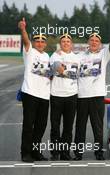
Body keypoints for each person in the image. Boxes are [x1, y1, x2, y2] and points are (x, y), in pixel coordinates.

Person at [74, 21, 110, 160]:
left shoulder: (104, 54)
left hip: (97, 96)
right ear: (88, 42)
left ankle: (99, 152)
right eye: (91, 40)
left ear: (100, 43)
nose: (93, 42)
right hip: (81, 96)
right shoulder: (79, 56)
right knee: (80, 127)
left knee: (98, 127)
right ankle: (78, 153)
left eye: (96, 40)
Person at [18, 18, 51, 162]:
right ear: (34, 42)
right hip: (30, 93)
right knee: (28, 125)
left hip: (44, 96)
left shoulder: (47, 56)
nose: (40, 43)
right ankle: (25, 153)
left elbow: (48, 75)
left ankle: (36, 152)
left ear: (45, 44)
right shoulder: (29, 51)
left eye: (42, 41)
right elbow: (25, 40)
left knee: (41, 126)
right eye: (37, 40)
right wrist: (23, 29)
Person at [49, 33, 80, 160]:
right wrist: (66, 70)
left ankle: (65, 152)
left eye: (68, 41)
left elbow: (76, 75)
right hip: (56, 94)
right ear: (60, 44)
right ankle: (55, 152)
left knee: (68, 126)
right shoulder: (55, 55)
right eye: (63, 41)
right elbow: (57, 68)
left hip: (71, 95)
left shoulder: (76, 58)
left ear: (71, 44)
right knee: (55, 126)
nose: (66, 43)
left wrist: (63, 69)